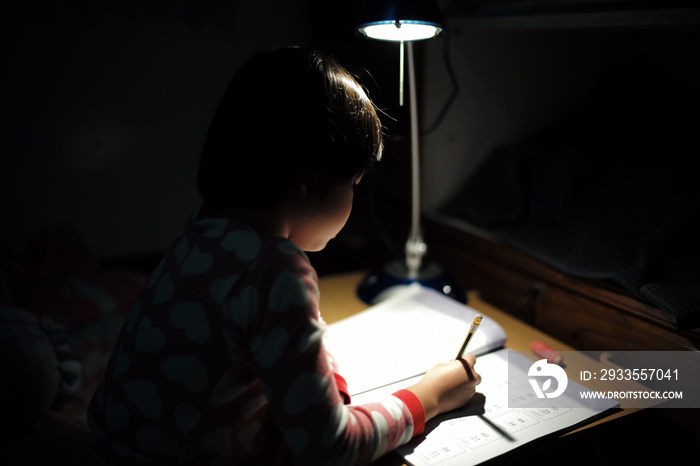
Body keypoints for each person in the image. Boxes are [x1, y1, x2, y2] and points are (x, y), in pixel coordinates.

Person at [87, 46, 481, 465]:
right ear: (309, 182)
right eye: (353, 183)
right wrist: (428, 396)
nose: (354, 198)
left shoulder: (203, 233)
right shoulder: (273, 271)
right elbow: (331, 448)